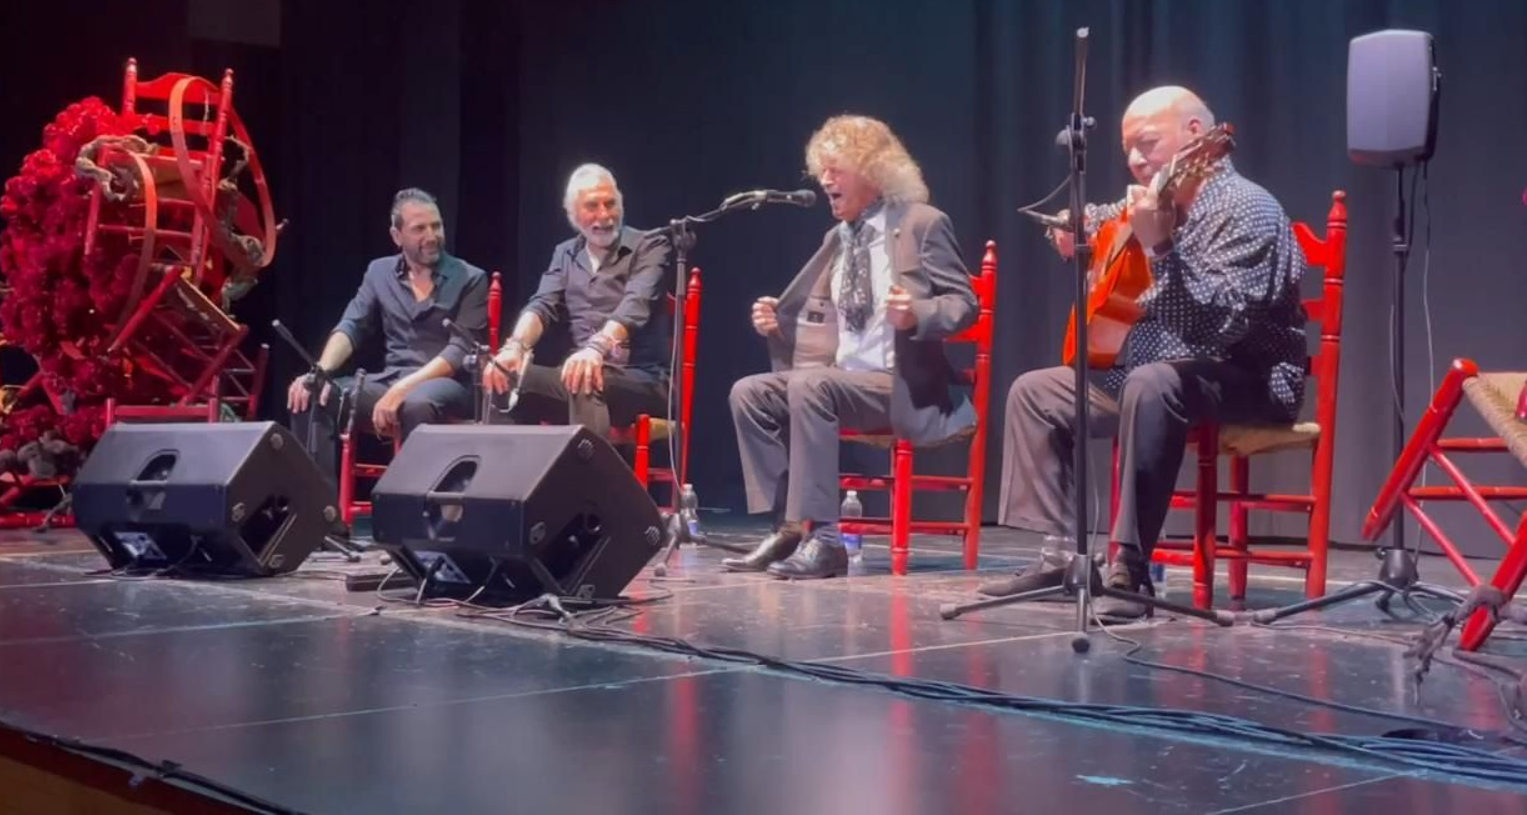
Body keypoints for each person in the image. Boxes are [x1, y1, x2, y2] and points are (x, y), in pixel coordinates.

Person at [985, 86, 1307, 619]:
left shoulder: (1247, 208)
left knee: (1152, 382)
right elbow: (1097, 214)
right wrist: (1074, 228)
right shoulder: (1158, 194)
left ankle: (1130, 568)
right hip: (1154, 374)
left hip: (1247, 378)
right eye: (1128, 148)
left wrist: (1158, 248)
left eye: (1148, 143)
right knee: (1037, 391)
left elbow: (1218, 328)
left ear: (1196, 138)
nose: (1135, 159)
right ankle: (1058, 556)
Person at [725, 114, 978, 580]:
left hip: (897, 385)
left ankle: (827, 541)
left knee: (811, 386)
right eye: (822, 169)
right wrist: (775, 326)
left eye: (836, 168)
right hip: (840, 381)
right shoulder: (837, 238)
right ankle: (789, 526)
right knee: (749, 392)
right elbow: (820, 321)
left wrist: (917, 313)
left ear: (874, 171)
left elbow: (964, 304)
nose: (825, 179)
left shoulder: (922, 224)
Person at [287, 188, 490, 505]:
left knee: (418, 403)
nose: (432, 235)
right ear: (397, 235)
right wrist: (321, 371)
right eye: (419, 229)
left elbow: (459, 352)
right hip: (391, 380)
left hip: (450, 387)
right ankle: (321, 519)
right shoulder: (379, 271)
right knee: (313, 395)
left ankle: (412, 517)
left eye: (436, 226)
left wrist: (401, 391)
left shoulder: (471, 277)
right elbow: (351, 326)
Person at [483, 164, 671, 437]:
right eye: (592, 206)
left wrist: (596, 347)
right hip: (581, 374)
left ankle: (592, 480)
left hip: (643, 379)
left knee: (584, 378)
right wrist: (515, 347)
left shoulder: (650, 245)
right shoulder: (565, 253)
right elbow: (542, 305)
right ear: (573, 214)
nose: (604, 215)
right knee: (503, 377)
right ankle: (509, 477)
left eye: (610, 204)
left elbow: (636, 303)